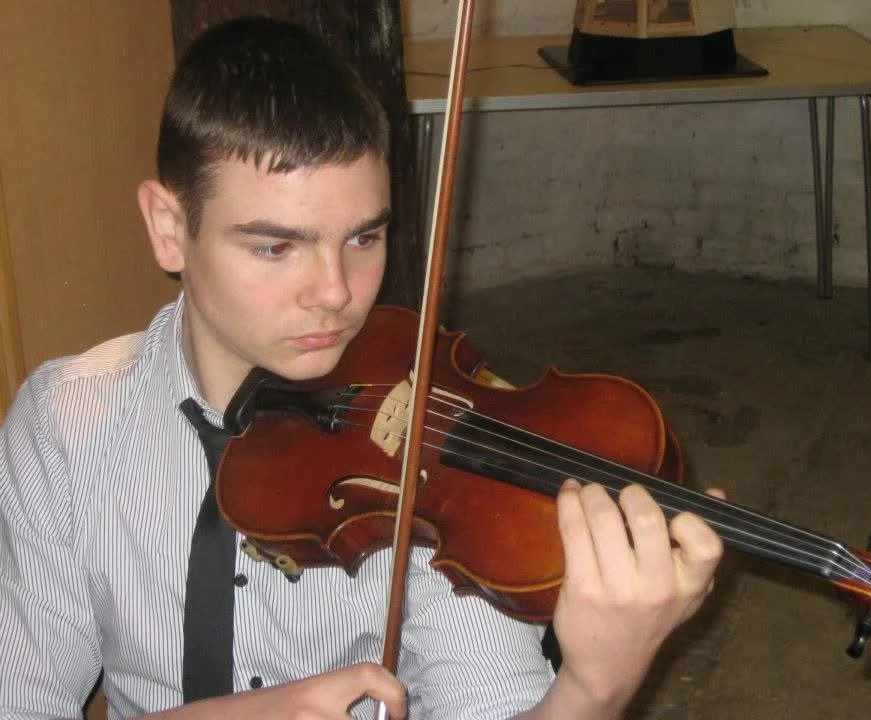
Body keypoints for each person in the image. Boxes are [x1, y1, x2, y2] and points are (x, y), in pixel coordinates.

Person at [0, 16, 723, 720]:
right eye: (275, 247)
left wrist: (594, 688)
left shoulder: (430, 441)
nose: (336, 293)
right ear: (169, 229)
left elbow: (492, 705)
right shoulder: (65, 426)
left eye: (363, 238)